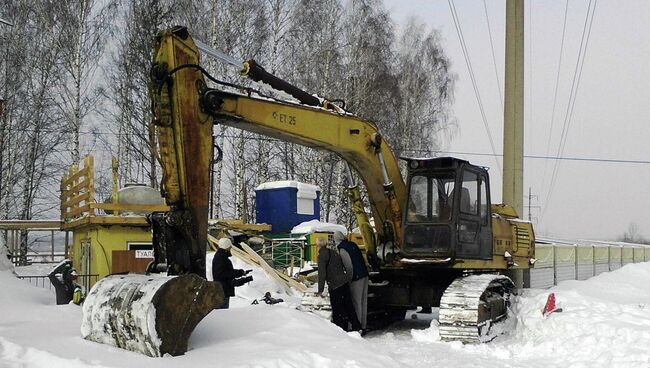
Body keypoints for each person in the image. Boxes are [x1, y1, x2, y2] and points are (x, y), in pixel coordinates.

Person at [316, 237, 361, 332]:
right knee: (349, 306)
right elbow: (341, 266)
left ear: (318, 245)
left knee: (337, 310)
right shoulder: (333, 252)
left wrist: (320, 290)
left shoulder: (322, 255)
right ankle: (357, 326)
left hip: (335, 285)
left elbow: (322, 273)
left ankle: (340, 330)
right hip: (344, 282)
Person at [334, 231, 369, 331]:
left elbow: (349, 266)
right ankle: (363, 325)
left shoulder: (342, 249)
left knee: (356, 302)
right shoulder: (353, 244)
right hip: (364, 275)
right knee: (363, 301)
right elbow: (363, 259)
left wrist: (348, 280)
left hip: (356, 277)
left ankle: (356, 326)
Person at [212, 237, 250, 309]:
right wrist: (238, 273)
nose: (230, 249)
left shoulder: (221, 256)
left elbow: (225, 272)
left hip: (223, 290)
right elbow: (223, 274)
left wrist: (240, 272)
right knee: (222, 313)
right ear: (226, 247)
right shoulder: (221, 258)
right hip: (223, 291)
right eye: (229, 247)